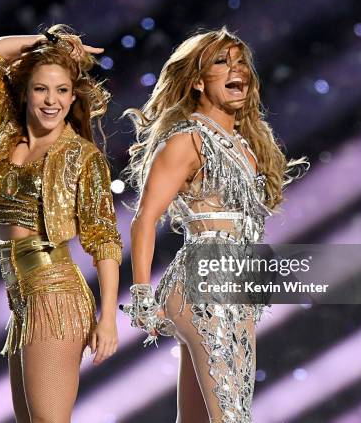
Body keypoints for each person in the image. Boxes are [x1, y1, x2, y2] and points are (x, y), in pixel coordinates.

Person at [121, 26, 307, 422]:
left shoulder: (244, 142)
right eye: (222, 62)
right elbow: (144, 219)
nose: (235, 68)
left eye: (240, 62)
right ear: (197, 82)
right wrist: (140, 293)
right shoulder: (187, 140)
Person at [0, 24, 122, 423]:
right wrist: (43, 44)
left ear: (74, 96)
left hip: (55, 295)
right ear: (26, 92)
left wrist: (108, 319)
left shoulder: (82, 157)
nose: (52, 101)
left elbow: (104, 239)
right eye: (41, 89)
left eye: (62, 91)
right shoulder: (13, 133)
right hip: (20, 296)